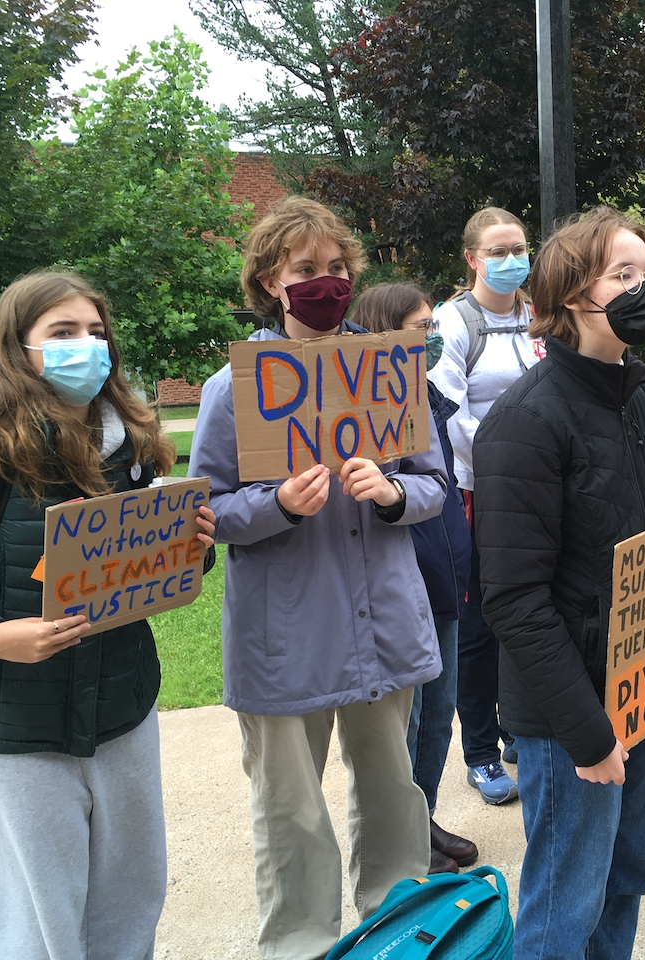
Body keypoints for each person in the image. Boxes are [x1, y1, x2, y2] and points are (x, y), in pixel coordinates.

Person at [0, 269, 215, 960]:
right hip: (12, 737)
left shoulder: (133, 449)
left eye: (95, 332)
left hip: (123, 719)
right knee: (39, 933)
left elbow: (145, 577)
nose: (87, 346)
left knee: (129, 915)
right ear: (17, 349)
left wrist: (188, 551)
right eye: (62, 333)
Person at [189, 197, 447, 958]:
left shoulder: (391, 373)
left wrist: (394, 492)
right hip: (288, 632)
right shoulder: (231, 390)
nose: (326, 283)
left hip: (384, 622)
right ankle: (300, 943)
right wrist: (280, 505)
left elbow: (433, 483)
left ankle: (399, 927)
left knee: (394, 792)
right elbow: (204, 515)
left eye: (337, 268)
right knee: (289, 808)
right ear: (272, 280)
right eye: (307, 270)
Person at [474, 206, 645, 958]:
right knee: (565, 899)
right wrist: (586, 734)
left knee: (629, 872)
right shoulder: (524, 422)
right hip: (569, 714)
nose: (643, 287)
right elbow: (513, 601)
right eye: (623, 274)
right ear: (571, 294)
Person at [349, 281, 478, 875]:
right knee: (412, 714)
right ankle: (401, 832)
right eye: (417, 326)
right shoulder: (364, 401)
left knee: (443, 705)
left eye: (432, 324)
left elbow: (440, 483)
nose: (430, 336)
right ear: (380, 329)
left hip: (445, 565)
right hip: (404, 576)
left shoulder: (424, 393)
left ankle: (421, 817)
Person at [429, 206, 546, 804]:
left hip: (535, 491)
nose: (511, 261)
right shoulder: (452, 323)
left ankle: (516, 728)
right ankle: (479, 752)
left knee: (529, 611)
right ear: (471, 259)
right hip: (475, 491)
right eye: (497, 252)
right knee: (477, 626)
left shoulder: (540, 316)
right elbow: (448, 414)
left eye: (519, 248)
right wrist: (513, 452)